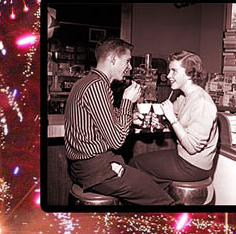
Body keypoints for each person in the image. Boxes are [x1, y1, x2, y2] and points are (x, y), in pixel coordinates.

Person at [64, 37, 174, 205]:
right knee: (165, 201)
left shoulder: (85, 82)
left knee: (159, 183)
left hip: (86, 165)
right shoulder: (97, 86)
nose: (129, 68)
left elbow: (102, 116)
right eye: (128, 61)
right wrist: (127, 102)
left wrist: (130, 118)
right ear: (113, 59)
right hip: (94, 168)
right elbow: (116, 141)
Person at [129, 50, 219, 191]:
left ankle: (160, 202)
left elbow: (191, 147)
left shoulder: (202, 102)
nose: (169, 75)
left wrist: (172, 118)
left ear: (190, 73)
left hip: (193, 166)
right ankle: (163, 198)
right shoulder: (184, 96)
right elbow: (166, 113)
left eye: (174, 71)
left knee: (136, 164)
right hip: (183, 157)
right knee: (141, 160)